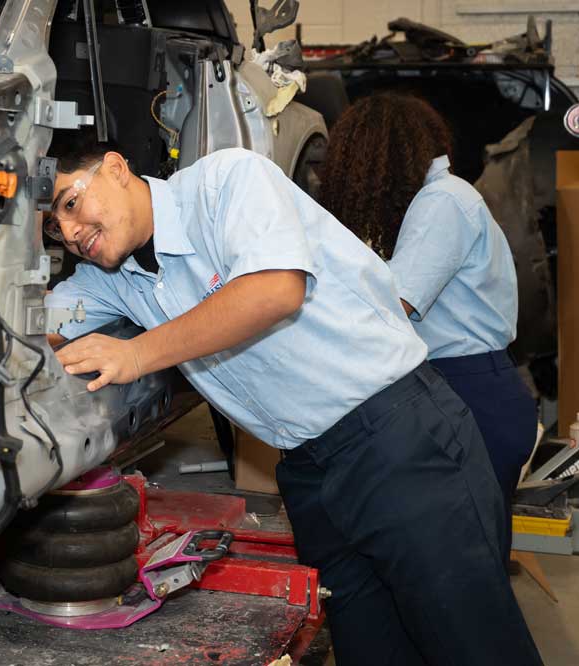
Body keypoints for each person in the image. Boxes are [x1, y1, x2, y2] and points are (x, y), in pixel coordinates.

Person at [42, 137, 541, 665]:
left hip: (399, 442)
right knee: (373, 651)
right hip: (310, 475)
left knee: (476, 646)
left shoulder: (223, 185)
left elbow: (275, 289)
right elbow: (26, 328)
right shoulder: (107, 280)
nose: (71, 233)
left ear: (116, 169)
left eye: (71, 204)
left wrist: (138, 354)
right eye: (55, 226)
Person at [319, 92, 538, 562]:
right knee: (464, 562)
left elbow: (391, 308)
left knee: (467, 565)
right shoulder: (437, 200)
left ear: (377, 157)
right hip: (468, 387)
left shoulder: (442, 202)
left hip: (473, 393)